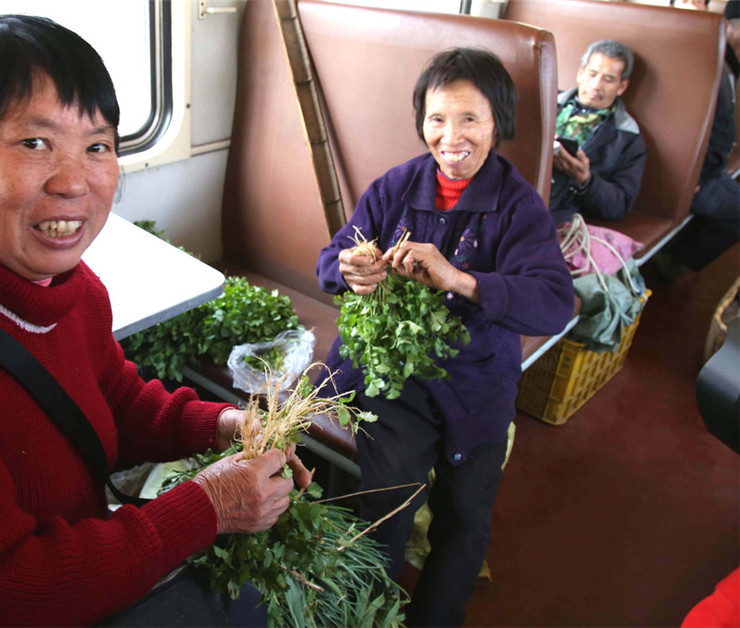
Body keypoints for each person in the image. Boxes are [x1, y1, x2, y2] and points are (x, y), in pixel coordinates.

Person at [0, 15, 311, 627]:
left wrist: (218, 424)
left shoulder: (62, 279)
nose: (75, 184)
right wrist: (208, 507)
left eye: (97, 147)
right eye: (35, 144)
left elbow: (107, 394)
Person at [314, 48, 575, 627]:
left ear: (497, 125)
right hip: (395, 379)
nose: (450, 136)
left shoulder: (518, 207)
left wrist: (461, 279)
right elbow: (330, 258)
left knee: (466, 513)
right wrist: (350, 270)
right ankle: (365, 613)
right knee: (388, 502)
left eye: (470, 120)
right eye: (436, 119)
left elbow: (555, 302)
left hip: (478, 378)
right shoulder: (395, 187)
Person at [647, 0, 740, 280]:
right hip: (695, 174)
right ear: (727, 26)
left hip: (704, 167)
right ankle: (673, 262)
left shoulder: (725, 62)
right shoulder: (709, 64)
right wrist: (693, 177)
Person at [549, 39, 647, 226]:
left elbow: (619, 205)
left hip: (559, 208)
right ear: (580, 73)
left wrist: (585, 179)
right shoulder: (544, 101)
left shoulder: (628, 137)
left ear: (622, 87)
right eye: (592, 74)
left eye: (608, 79)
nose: (596, 85)